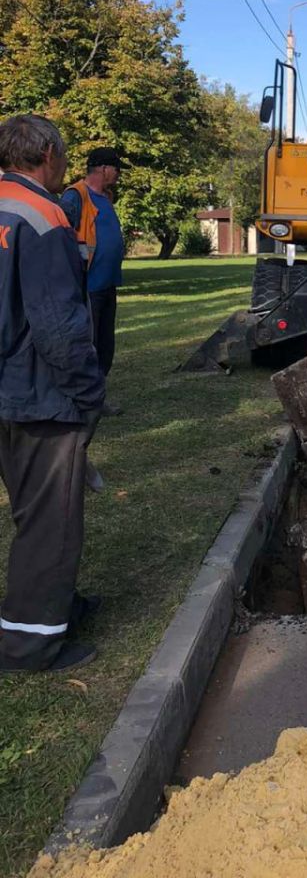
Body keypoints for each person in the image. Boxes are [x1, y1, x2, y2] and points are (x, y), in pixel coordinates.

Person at [0, 114, 105, 672]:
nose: (67, 164)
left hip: (6, 393)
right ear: (46, 153)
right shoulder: (44, 217)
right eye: (64, 154)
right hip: (38, 394)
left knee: (29, 507)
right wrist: (89, 392)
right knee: (51, 521)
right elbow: (58, 327)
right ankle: (30, 643)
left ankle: (55, 605)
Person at [61, 147, 126, 414]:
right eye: (116, 169)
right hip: (88, 287)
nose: (119, 174)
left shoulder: (106, 197)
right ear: (103, 169)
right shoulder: (75, 196)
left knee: (105, 346)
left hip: (107, 285)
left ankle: (96, 400)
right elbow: (63, 239)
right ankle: (82, 402)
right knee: (88, 348)